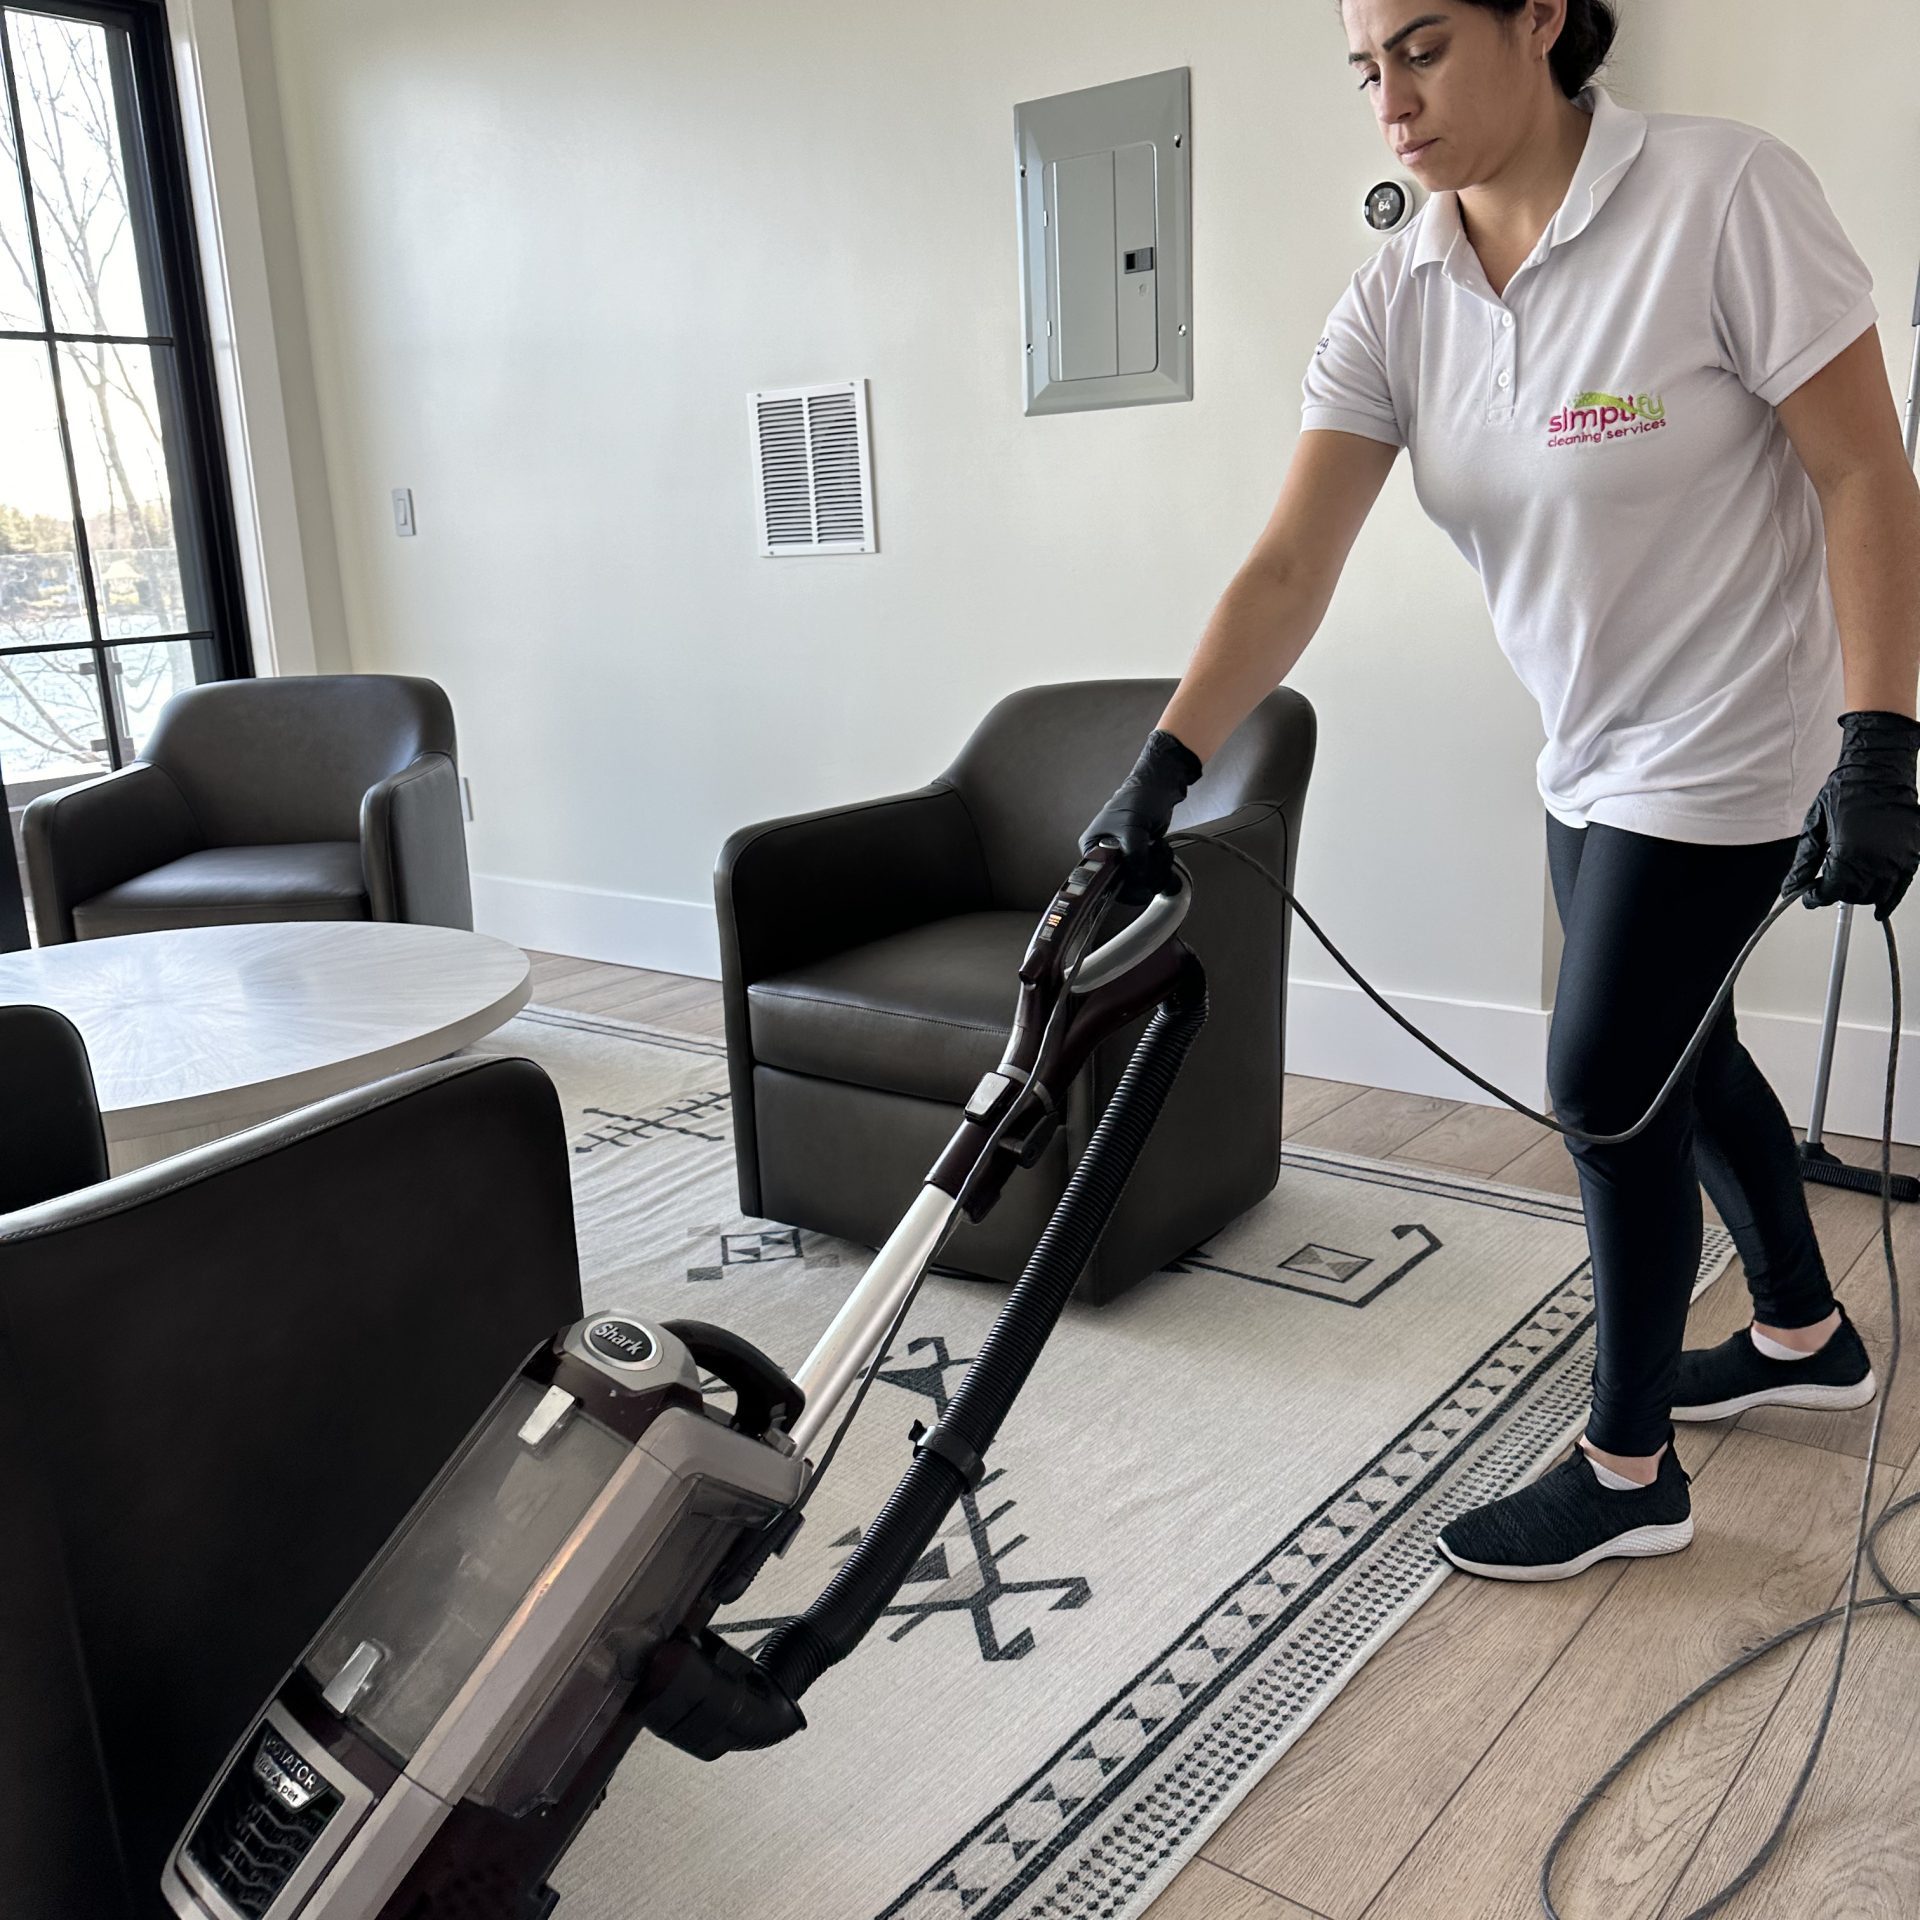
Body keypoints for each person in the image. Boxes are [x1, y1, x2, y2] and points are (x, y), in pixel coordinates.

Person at [1082, 0, 1920, 1581]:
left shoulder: (1720, 196)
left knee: (1606, 1085)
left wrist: (1883, 740)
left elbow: (1867, 469)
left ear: (1541, 18)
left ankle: (1628, 1471)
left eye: (1421, 47)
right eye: (1364, 68)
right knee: (1689, 1053)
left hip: (1742, 741)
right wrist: (1163, 762)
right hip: (1587, 749)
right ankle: (1805, 1332)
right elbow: (1289, 562)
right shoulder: (1399, 297)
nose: (1388, 101)